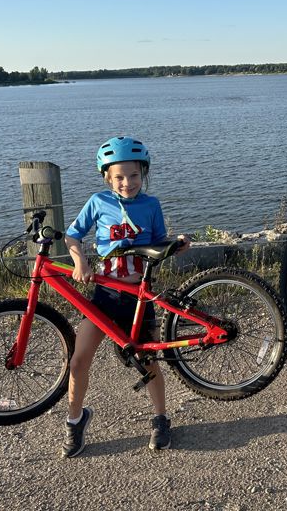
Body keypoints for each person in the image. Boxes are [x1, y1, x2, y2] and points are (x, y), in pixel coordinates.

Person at [62, 136, 190, 458]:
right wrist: (80, 261)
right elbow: (72, 236)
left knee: (147, 362)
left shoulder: (151, 205)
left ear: (142, 174)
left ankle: (161, 418)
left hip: (139, 297)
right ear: (107, 177)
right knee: (78, 361)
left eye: (134, 176)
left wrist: (176, 245)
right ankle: (75, 420)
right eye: (119, 176)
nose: (127, 183)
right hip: (104, 294)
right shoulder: (98, 202)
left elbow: (159, 243)